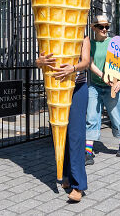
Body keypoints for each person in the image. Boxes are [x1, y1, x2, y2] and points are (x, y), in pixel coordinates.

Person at [36, 47, 90, 203]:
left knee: (76, 135)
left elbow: (86, 62)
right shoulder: (50, 26)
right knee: (63, 134)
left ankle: (79, 185)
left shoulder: (83, 34)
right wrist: (39, 62)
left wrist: (72, 68)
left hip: (77, 88)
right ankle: (66, 175)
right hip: (57, 87)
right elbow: (39, 61)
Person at [84, 15, 120, 165]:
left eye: (106, 27)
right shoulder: (89, 44)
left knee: (116, 116)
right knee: (91, 116)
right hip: (95, 86)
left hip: (112, 86)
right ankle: (88, 152)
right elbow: (89, 64)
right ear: (94, 28)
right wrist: (103, 75)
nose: (104, 29)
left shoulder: (114, 43)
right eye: (101, 27)